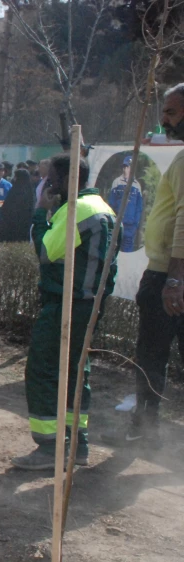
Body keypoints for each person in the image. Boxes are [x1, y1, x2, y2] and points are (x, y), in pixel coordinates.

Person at [12, 154, 118, 470]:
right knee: (75, 373)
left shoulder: (77, 210)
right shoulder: (104, 207)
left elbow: (45, 251)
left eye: (52, 179)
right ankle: (77, 444)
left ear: (69, 179)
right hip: (89, 305)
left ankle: (49, 448)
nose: (48, 185)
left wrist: (41, 214)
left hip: (66, 305)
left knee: (43, 370)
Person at [102, 83, 184, 450]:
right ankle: (145, 428)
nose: (163, 120)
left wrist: (174, 279)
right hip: (169, 273)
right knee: (152, 354)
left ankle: (144, 428)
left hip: (170, 275)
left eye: (171, 112)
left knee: (152, 353)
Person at [107, 155, 145, 253]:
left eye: (128, 167)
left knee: (128, 250)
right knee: (115, 250)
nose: (126, 169)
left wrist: (135, 224)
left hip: (130, 225)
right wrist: (114, 220)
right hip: (118, 223)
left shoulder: (137, 185)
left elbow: (139, 207)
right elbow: (111, 203)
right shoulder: (116, 182)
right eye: (124, 167)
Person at [2, 168, 36, 242]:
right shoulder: (30, 189)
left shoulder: (15, 190)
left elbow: (7, 205)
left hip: (13, 223)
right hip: (26, 222)